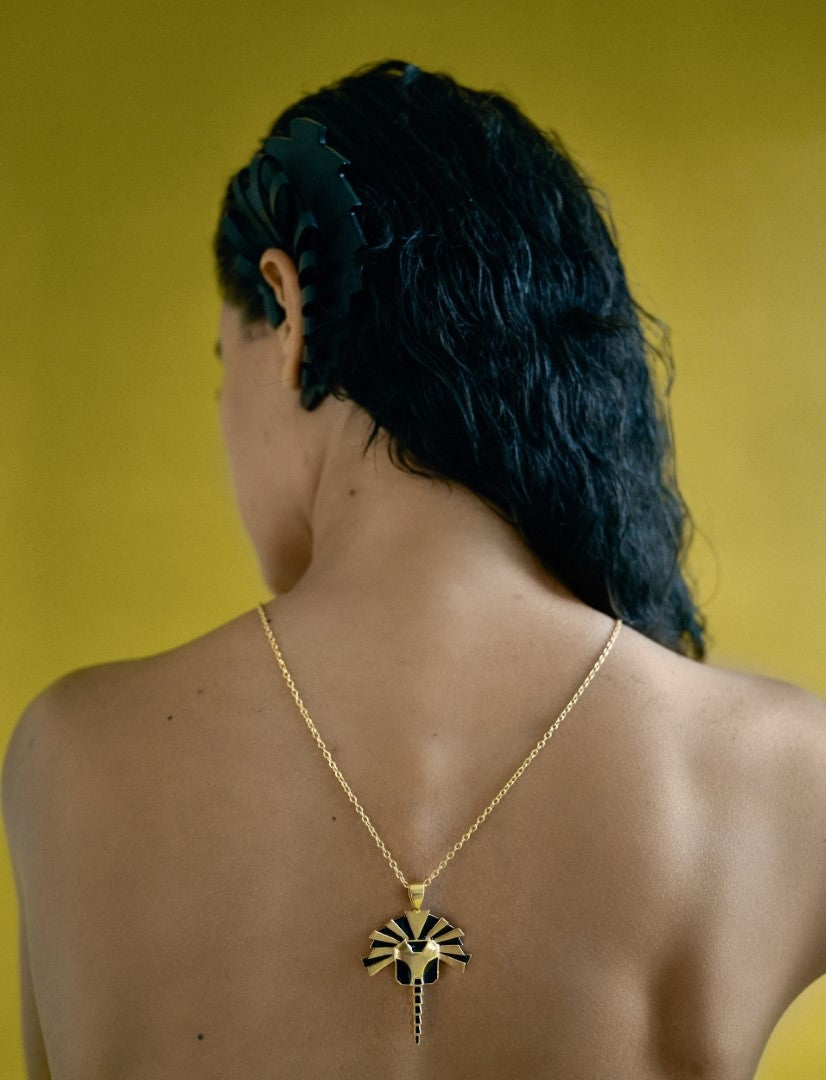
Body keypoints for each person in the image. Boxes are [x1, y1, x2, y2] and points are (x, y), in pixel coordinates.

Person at [2, 58, 824, 1080]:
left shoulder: (72, 756)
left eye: (225, 365)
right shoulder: (788, 767)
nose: (222, 419)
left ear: (286, 309)